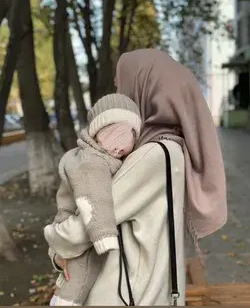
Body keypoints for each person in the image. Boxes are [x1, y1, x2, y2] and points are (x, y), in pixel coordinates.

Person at [47, 49, 227, 306]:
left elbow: (94, 219)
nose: (120, 93)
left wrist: (55, 245)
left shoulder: (154, 154)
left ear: (145, 88)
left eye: (122, 84)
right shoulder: (168, 146)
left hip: (127, 295)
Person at [44, 93, 141, 306]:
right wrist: (104, 236)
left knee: (75, 277)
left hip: (72, 231)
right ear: (98, 133)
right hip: (80, 230)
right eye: (115, 136)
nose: (119, 149)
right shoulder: (91, 161)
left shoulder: (98, 155)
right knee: (77, 281)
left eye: (128, 138)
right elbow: (95, 200)